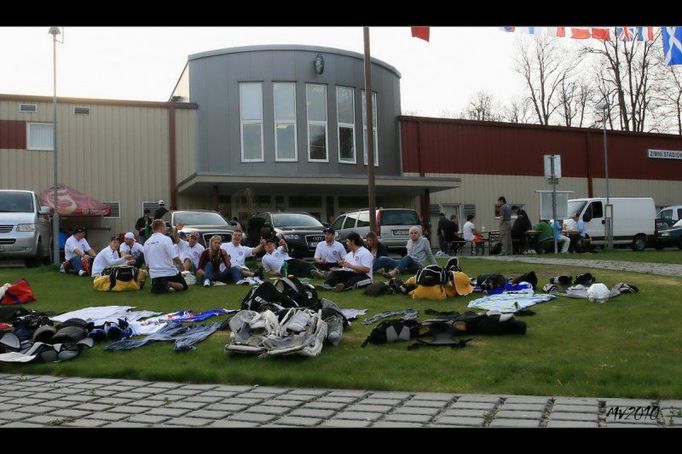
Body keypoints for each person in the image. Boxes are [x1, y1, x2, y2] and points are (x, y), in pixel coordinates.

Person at [143, 219, 188, 293]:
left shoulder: (146, 242)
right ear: (160, 227)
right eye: (165, 226)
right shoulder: (166, 239)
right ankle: (167, 283)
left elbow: (147, 264)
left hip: (154, 274)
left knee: (159, 290)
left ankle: (160, 283)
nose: (166, 228)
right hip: (168, 272)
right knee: (183, 287)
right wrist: (182, 267)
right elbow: (174, 257)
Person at [261, 237, 326, 279]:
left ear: (274, 245)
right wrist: (276, 273)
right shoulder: (264, 258)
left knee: (304, 264)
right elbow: (268, 272)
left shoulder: (279, 249)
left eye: (271, 244)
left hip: (290, 261)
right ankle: (318, 274)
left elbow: (286, 249)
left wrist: (284, 244)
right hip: (282, 269)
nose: (269, 246)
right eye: (267, 245)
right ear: (264, 247)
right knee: (298, 274)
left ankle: (319, 273)